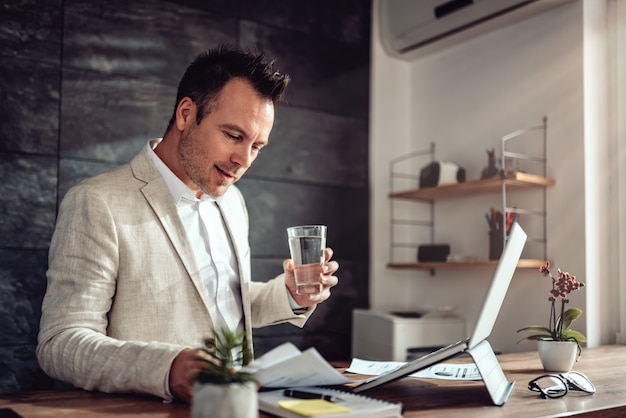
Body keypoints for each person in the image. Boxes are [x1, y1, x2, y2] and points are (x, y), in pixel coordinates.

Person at [36, 45, 339, 403]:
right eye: (233, 135)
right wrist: (167, 368)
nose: (243, 160)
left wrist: (290, 293)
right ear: (186, 113)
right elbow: (62, 342)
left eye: (257, 146)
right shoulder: (97, 202)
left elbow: (222, 303)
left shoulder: (233, 203)